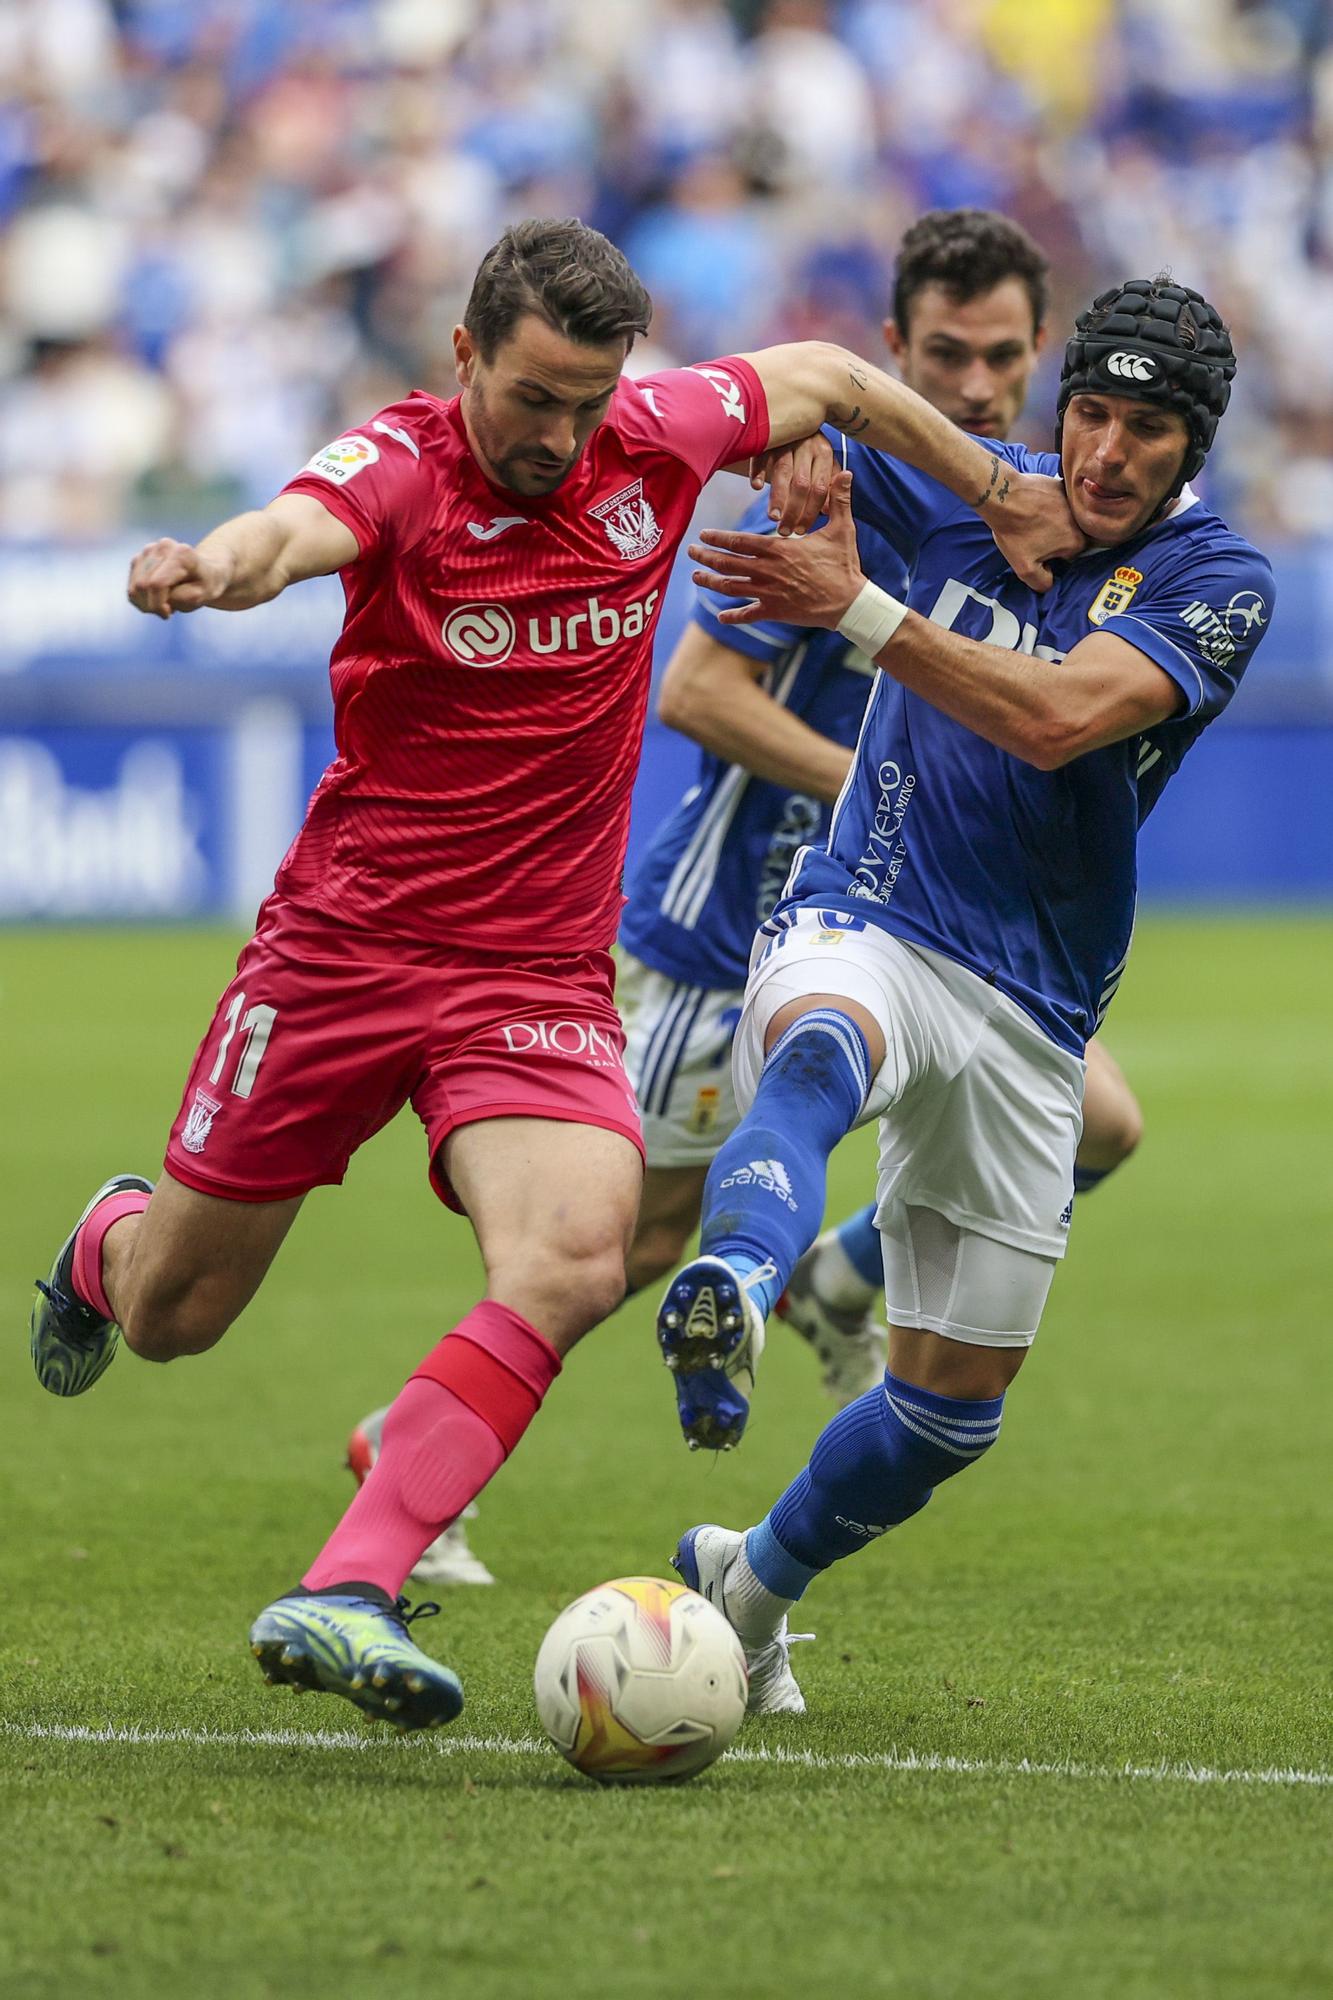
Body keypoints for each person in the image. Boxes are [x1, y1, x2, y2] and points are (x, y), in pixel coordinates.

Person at [28, 217, 1078, 1732]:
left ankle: (350, 1583)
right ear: (463, 356)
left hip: (532, 971)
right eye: (532, 397)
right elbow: (290, 529)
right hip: (342, 951)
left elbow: (836, 377)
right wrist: (215, 566)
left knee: (581, 1256)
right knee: (175, 1316)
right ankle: (109, 1240)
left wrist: (996, 486)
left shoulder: (650, 442)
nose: (561, 435)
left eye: (590, 400)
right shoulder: (401, 466)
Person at [659, 276, 1273, 1713]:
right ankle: (740, 1283)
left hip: (1032, 1000)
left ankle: (745, 1585)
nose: (1108, 453)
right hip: (869, 902)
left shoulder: (1217, 584)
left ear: (1195, 449)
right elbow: (816, 376)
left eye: (1147, 431)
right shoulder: (978, 498)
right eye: (1093, 416)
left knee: (944, 1418)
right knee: (818, 1050)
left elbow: (1057, 718)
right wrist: (797, 442)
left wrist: (861, 610)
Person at [617, 209, 1143, 1455]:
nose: (974, 383)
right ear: (898, 343)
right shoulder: (847, 484)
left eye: (1002, 356)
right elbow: (692, 692)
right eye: (947, 353)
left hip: (922, 919)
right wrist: (886, 769)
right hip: (735, 915)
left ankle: (834, 1278)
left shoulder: (1041, 520)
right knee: (621, 1246)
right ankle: (418, 1463)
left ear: (1041, 353)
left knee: (1106, 1122)